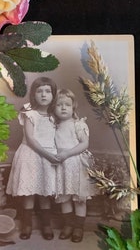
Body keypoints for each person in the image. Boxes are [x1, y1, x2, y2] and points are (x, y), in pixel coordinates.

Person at [6, 77, 59, 240]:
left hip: (48, 158)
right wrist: (48, 155)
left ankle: (46, 225)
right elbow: (30, 139)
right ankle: (26, 225)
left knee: (44, 195)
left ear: (53, 95)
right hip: (30, 155)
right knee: (28, 194)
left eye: (48, 91)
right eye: (40, 91)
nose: (44, 95)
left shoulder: (55, 114)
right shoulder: (29, 112)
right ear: (34, 94)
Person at [53, 88, 95, 243]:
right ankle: (68, 226)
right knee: (64, 198)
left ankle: (78, 227)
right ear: (54, 108)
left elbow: (84, 144)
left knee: (79, 199)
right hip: (61, 167)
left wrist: (67, 154)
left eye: (67, 105)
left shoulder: (78, 124)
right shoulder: (54, 126)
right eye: (59, 105)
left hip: (76, 166)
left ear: (73, 107)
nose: (63, 107)